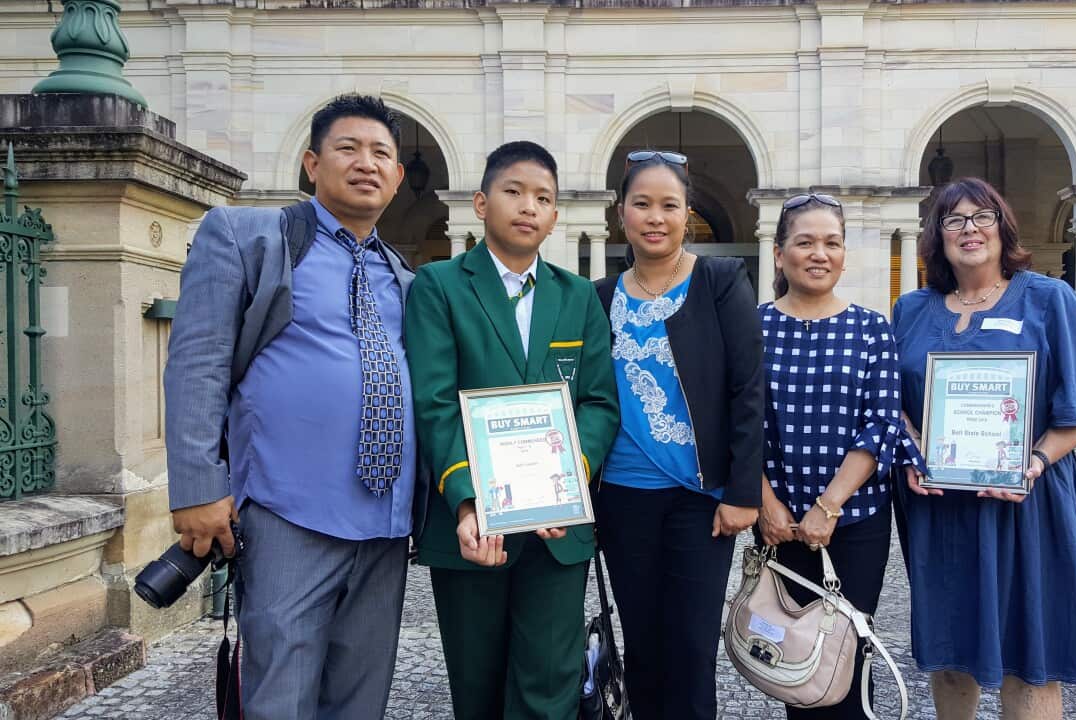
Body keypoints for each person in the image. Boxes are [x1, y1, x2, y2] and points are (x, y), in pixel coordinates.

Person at [163, 94, 416, 719]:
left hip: (385, 526)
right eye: (348, 149)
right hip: (286, 513)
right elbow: (197, 364)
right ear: (311, 162)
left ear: (398, 176)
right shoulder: (248, 237)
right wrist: (198, 487)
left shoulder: (406, 278)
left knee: (361, 698)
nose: (367, 163)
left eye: (381, 153)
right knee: (280, 695)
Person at [893, 177, 1076, 720]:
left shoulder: (1049, 299)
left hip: (1029, 505)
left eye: (982, 217)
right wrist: (913, 448)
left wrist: (1037, 460)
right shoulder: (910, 310)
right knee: (951, 651)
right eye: (953, 220)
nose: (969, 230)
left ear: (1003, 228)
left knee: (1031, 655)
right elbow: (893, 404)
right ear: (937, 236)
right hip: (941, 508)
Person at [405, 141, 620, 720]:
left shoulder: (578, 296)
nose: (529, 206)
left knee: (549, 688)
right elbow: (434, 403)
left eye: (543, 198)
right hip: (471, 529)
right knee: (477, 687)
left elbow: (600, 403)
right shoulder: (440, 286)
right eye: (514, 191)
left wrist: (571, 474)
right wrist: (468, 500)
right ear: (480, 203)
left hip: (557, 533)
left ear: (555, 216)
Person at [592, 150, 764, 720]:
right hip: (622, 495)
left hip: (700, 498)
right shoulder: (600, 297)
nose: (655, 217)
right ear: (622, 214)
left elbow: (748, 388)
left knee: (691, 649)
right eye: (642, 204)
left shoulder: (718, 280)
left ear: (687, 214)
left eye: (669, 205)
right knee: (642, 645)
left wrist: (742, 493)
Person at [755, 193, 921, 720]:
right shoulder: (751, 327)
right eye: (804, 242)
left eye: (831, 242)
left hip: (856, 522)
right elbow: (738, 425)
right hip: (778, 524)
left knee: (847, 658)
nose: (818, 253)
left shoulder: (873, 329)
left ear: (845, 255)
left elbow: (882, 423)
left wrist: (829, 505)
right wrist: (766, 505)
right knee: (792, 661)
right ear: (780, 254)